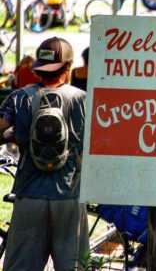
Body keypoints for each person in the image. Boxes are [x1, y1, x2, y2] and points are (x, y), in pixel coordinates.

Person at [0, 37, 89, 271]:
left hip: (29, 196)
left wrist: (13, 136)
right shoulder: (83, 100)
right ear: (68, 67)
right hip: (69, 198)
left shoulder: (18, 98)